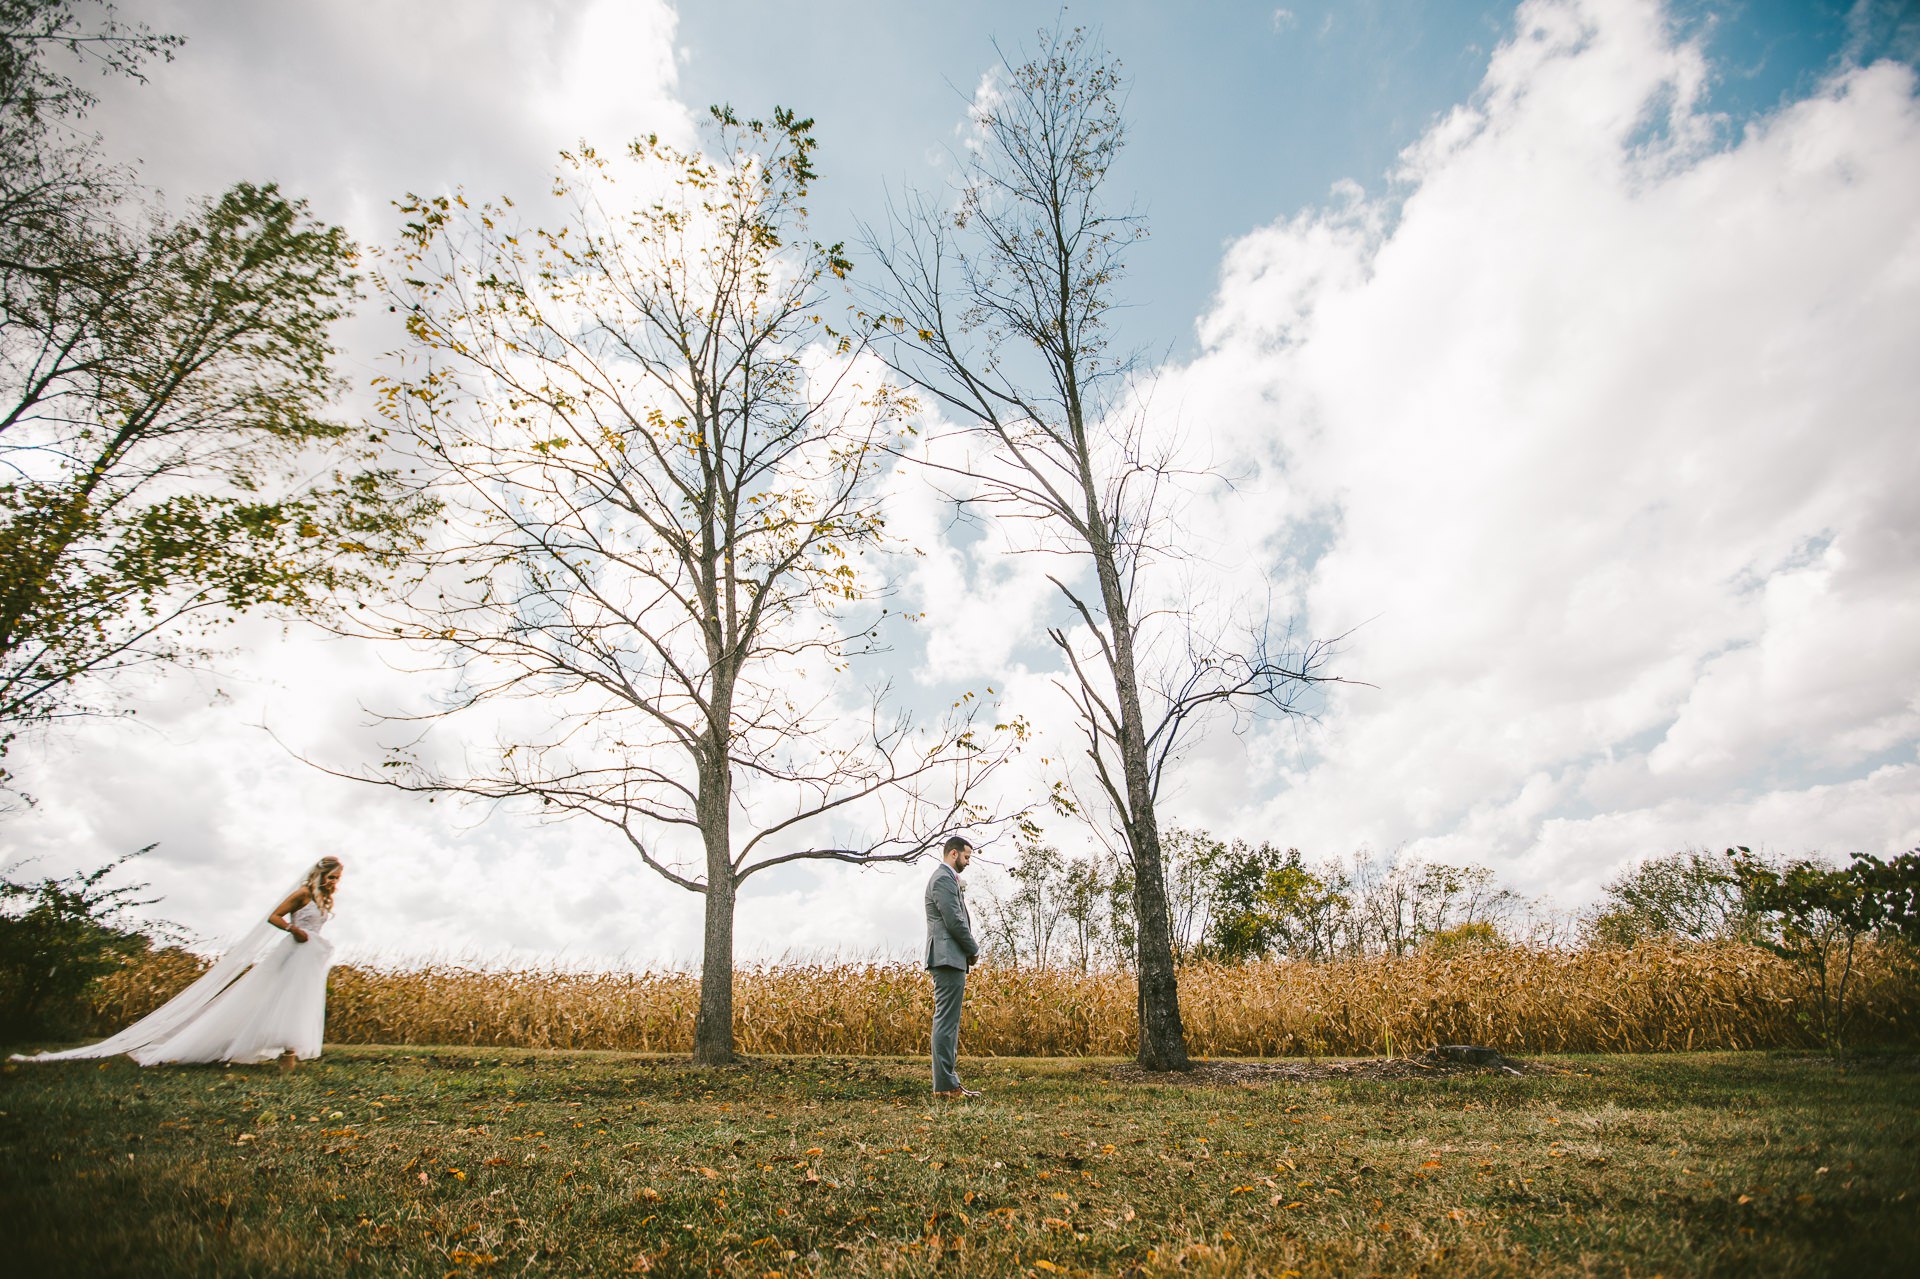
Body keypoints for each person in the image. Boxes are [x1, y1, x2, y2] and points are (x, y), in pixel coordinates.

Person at [10, 856, 345, 1067]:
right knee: (271, 997)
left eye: (337, 880)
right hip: (293, 951)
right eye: (331, 878)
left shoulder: (325, 900)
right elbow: (273, 916)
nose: (333, 884)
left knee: (298, 1001)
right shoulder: (302, 893)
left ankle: (287, 1050)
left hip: (310, 958)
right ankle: (260, 1048)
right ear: (320, 874)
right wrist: (292, 930)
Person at [924, 834, 981, 1098]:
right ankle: (946, 1085)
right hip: (947, 957)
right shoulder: (943, 879)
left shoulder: (947, 880)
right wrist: (973, 949)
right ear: (953, 854)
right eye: (967, 857)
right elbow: (955, 921)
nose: (968, 862)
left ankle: (947, 1083)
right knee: (946, 1022)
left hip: (951, 957)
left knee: (949, 1022)